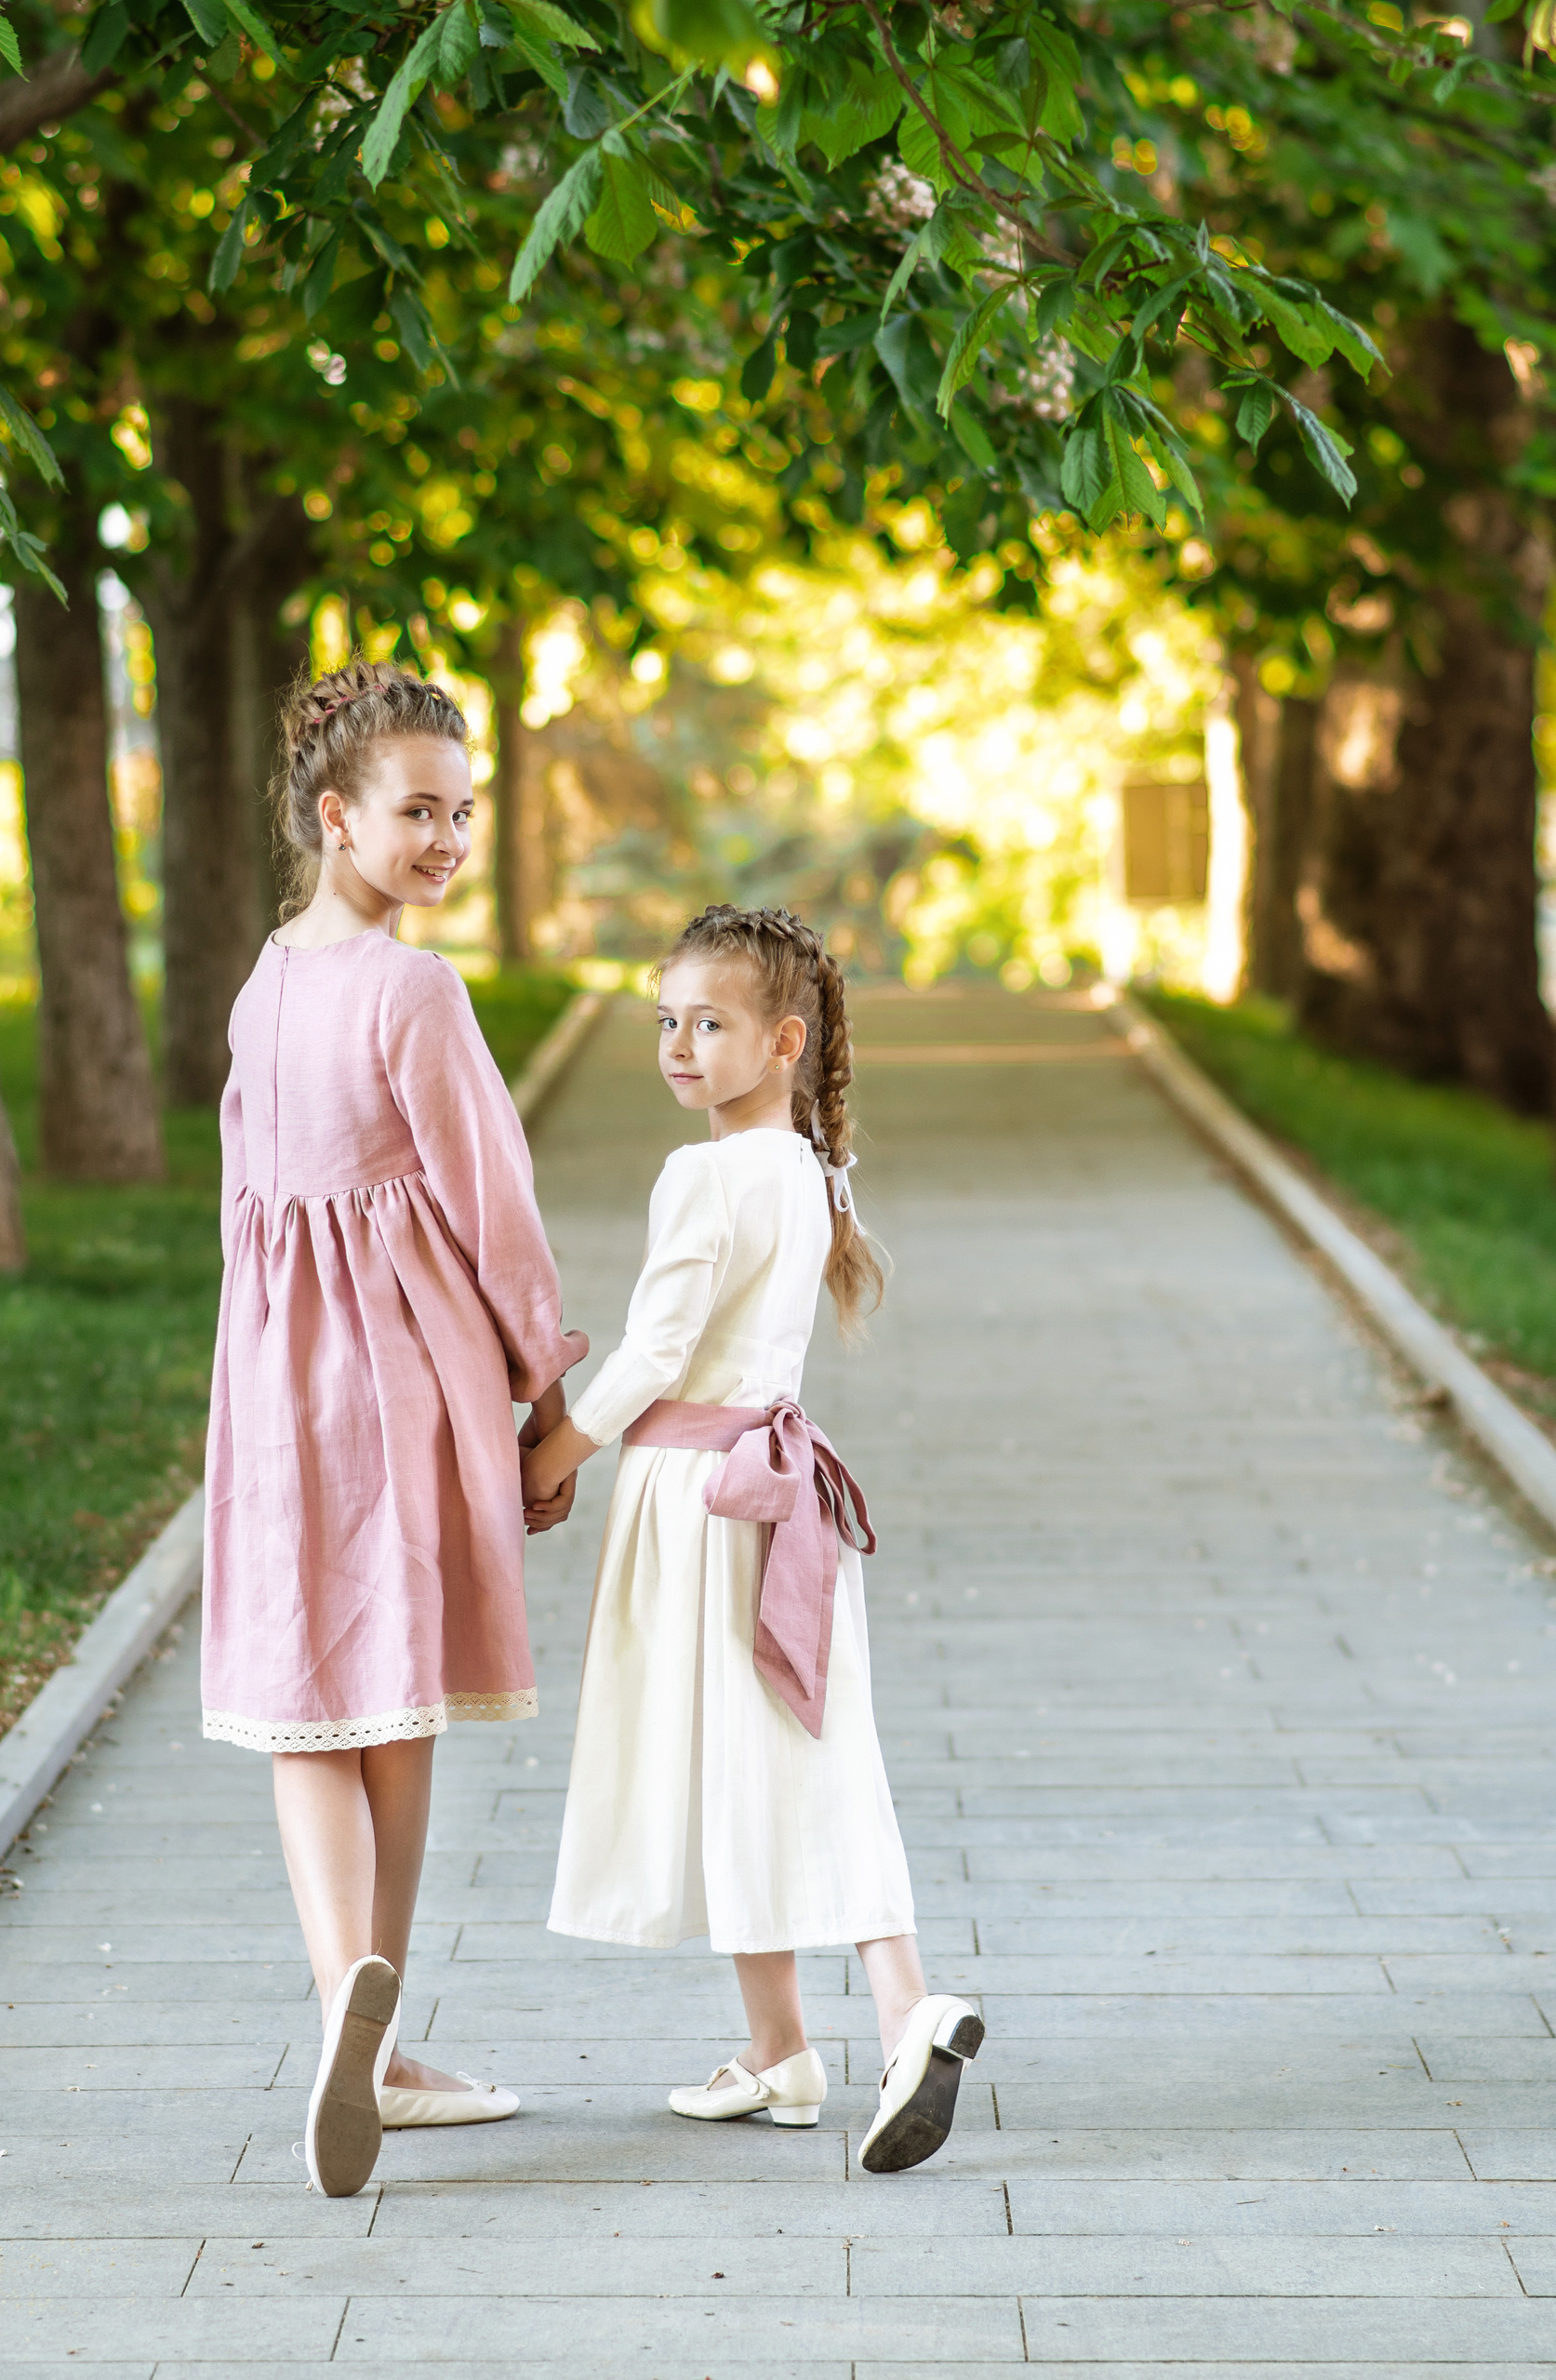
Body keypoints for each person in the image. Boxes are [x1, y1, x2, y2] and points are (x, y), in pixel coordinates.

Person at [201, 657, 586, 2198]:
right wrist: (546, 1397)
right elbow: (492, 1206)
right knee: (397, 1697)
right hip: (401, 1379)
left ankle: (339, 2006)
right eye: (418, 811)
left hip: (279, 1382)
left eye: (464, 812)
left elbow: (246, 1205)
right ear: (335, 814)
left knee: (306, 1699)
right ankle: (384, 2019)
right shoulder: (416, 990)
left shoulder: (265, 980)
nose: (445, 837)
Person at [522, 903, 983, 2174]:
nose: (678, 1045)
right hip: (783, 1491)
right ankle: (788, 2048)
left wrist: (555, 1451)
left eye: (708, 1024)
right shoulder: (804, 1167)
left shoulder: (706, 1174)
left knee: (765, 1760)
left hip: (700, 1502)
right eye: (666, 1021)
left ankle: (896, 2019)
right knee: (786, 1750)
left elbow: (660, 1353)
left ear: (783, 1040)